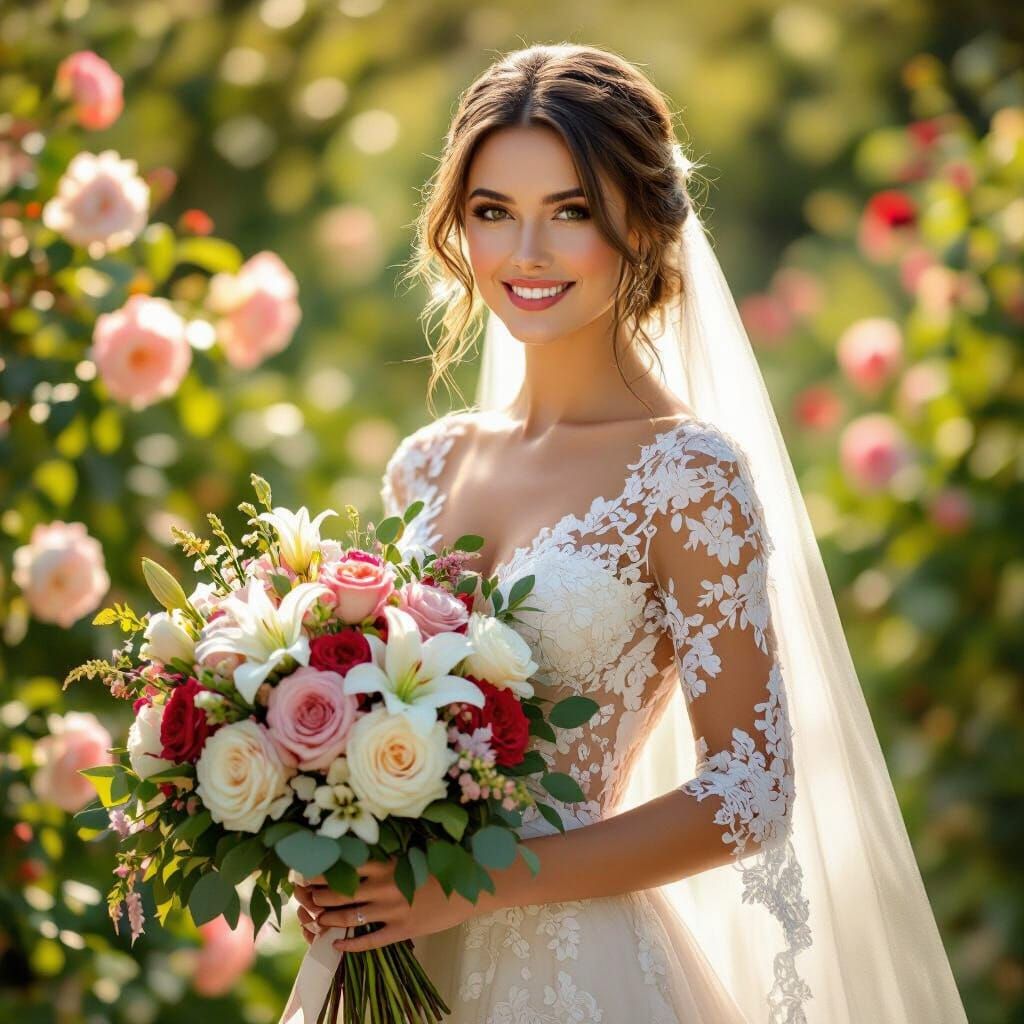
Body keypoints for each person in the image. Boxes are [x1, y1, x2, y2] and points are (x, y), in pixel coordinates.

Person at [286, 43, 969, 1023]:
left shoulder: (686, 474)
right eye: (493, 212)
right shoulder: (426, 463)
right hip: (394, 958)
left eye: (570, 212)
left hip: (571, 976)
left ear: (643, 223)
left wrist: (479, 880)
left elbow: (749, 788)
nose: (526, 253)